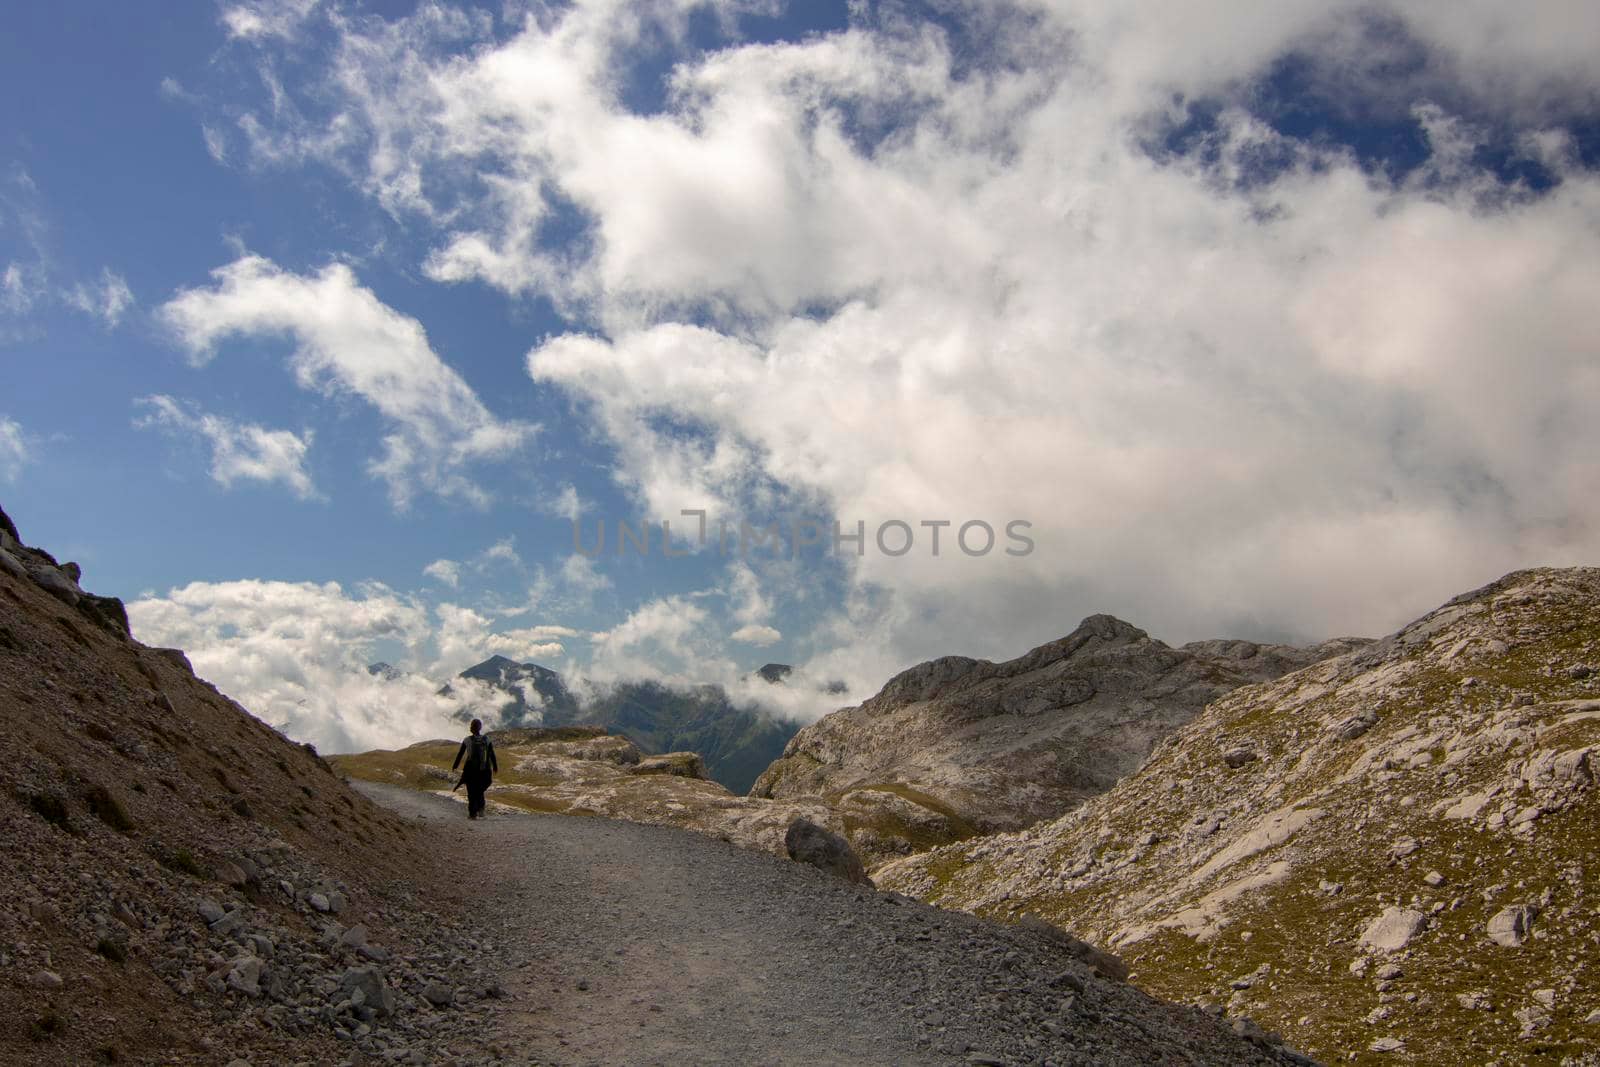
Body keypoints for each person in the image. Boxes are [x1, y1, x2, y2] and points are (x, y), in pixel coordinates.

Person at [451, 719, 498, 820]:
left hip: (470, 771)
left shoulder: (467, 740)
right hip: (484, 770)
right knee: (479, 790)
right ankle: (481, 810)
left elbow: (460, 754)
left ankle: (472, 814)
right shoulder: (486, 739)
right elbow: (491, 754)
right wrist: (495, 766)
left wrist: (455, 765)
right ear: (480, 727)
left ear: (471, 728)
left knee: (471, 792)